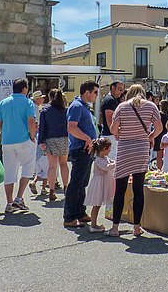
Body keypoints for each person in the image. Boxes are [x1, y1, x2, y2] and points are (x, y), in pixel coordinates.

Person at [108, 84, 162, 237]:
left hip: (125, 148)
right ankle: (137, 227)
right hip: (141, 149)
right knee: (138, 189)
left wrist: (121, 132)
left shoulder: (122, 107)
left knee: (120, 189)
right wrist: (150, 136)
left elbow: (113, 129)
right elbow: (159, 127)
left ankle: (115, 228)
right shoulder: (151, 106)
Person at [0, 77, 37, 214]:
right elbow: (31, 120)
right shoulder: (28, 102)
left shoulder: (3, 103)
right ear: (24, 89)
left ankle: (9, 202)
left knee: (10, 172)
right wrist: (32, 136)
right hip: (23, 139)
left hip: (7, 141)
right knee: (28, 168)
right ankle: (19, 197)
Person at [64, 80, 99, 228]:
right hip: (80, 148)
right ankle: (69, 216)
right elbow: (71, 127)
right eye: (95, 92)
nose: (97, 96)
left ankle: (80, 212)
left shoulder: (83, 106)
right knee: (76, 183)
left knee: (82, 182)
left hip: (86, 148)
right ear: (87, 92)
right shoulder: (77, 106)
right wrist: (86, 138)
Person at [38, 88, 69, 203]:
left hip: (50, 138)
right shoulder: (65, 110)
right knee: (64, 164)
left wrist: (40, 141)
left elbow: (42, 127)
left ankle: (51, 191)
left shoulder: (45, 110)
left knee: (52, 166)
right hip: (64, 138)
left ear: (50, 97)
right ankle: (66, 188)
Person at [83, 137, 115, 233]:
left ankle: (94, 224)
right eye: (109, 148)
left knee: (98, 204)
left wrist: (114, 162)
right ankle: (93, 225)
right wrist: (116, 164)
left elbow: (110, 162)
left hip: (104, 182)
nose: (110, 150)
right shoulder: (98, 159)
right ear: (104, 149)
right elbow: (106, 167)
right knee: (97, 204)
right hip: (99, 184)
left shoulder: (104, 158)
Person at [29, 93, 50, 197]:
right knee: (46, 170)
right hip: (40, 141)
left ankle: (33, 182)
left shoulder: (36, 107)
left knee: (39, 171)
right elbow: (35, 122)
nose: (43, 99)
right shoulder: (35, 108)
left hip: (37, 153)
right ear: (37, 99)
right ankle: (43, 188)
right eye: (41, 98)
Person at [100, 81, 124, 161]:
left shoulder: (112, 100)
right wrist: (116, 133)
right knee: (112, 163)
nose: (121, 92)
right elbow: (110, 119)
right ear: (113, 88)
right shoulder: (110, 100)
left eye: (122, 90)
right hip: (111, 136)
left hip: (110, 135)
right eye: (119, 89)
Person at [154, 99, 168, 170]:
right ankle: (167, 168)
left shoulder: (159, 114)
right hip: (167, 134)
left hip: (159, 134)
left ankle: (159, 169)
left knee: (159, 155)